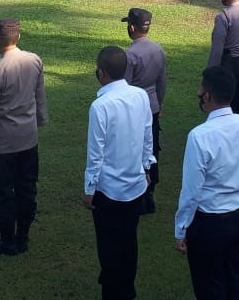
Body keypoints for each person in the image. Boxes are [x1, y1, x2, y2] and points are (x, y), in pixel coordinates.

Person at [175, 66, 239, 300]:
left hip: (210, 223)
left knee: (209, 287)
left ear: (208, 95)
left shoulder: (200, 135)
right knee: (233, 279)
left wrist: (181, 229)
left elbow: (191, 190)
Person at [83, 46, 154, 300]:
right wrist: (147, 167)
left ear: (101, 73)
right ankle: (126, 287)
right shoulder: (140, 96)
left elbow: (96, 153)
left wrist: (89, 188)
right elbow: (147, 135)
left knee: (109, 244)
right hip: (135, 184)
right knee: (128, 239)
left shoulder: (100, 106)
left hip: (109, 190)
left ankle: (114, 291)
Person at [0, 19, 48, 256]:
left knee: (2, 193)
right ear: (18, 37)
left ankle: (8, 241)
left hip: (4, 145)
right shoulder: (34, 61)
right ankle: (23, 237)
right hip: (29, 140)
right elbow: (39, 97)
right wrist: (40, 120)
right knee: (27, 188)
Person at [123, 8, 167, 214]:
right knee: (152, 149)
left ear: (132, 28)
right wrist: (159, 104)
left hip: (134, 110)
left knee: (134, 148)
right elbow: (162, 82)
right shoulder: (158, 50)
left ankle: (137, 193)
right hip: (153, 105)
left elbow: (125, 86)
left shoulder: (130, 54)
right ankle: (150, 193)